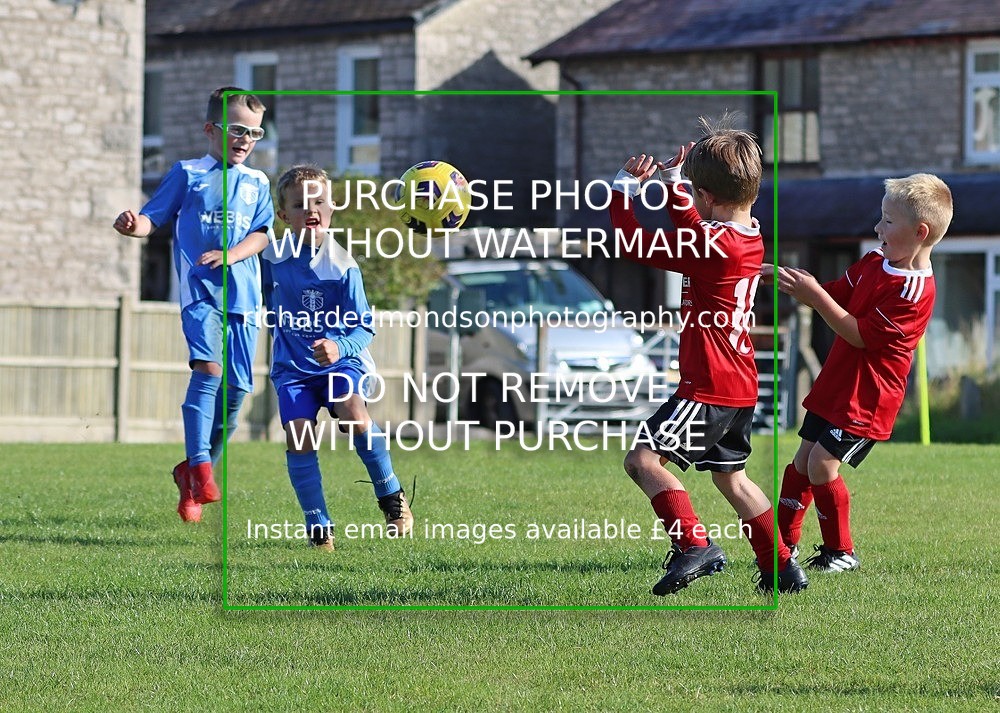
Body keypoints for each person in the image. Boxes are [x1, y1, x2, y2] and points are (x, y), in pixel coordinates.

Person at [609, 116, 807, 595]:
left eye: (696, 193)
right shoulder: (748, 234)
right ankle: (781, 567)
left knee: (642, 461)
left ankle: (694, 545)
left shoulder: (711, 246)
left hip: (709, 385)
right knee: (732, 480)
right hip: (739, 383)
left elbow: (630, 241)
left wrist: (623, 189)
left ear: (708, 196)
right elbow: (697, 226)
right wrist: (675, 182)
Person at [776, 174, 953, 573]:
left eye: (888, 221)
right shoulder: (875, 261)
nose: (878, 228)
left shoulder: (914, 293)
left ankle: (841, 552)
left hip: (867, 398)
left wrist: (814, 296)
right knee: (802, 463)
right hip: (837, 385)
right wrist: (795, 284)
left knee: (822, 465)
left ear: (920, 232)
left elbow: (859, 335)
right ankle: (781, 547)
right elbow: (839, 292)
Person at [114, 87, 274, 523]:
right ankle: (202, 470)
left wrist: (232, 254)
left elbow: (262, 235)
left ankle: (190, 474)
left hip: (245, 298)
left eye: (255, 133)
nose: (245, 139)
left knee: (236, 396)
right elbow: (152, 218)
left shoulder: (258, 183)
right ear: (210, 129)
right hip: (201, 293)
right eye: (237, 129)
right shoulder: (187, 173)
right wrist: (133, 225)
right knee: (209, 371)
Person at [260, 165, 413, 550]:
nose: (311, 210)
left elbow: (365, 328)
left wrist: (338, 347)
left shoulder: (343, 266)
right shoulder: (271, 259)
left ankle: (391, 497)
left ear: (332, 207)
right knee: (299, 437)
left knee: (354, 414)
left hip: (341, 364)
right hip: (293, 371)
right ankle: (319, 528)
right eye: (299, 204)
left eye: (319, 202)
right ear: (283, 216)